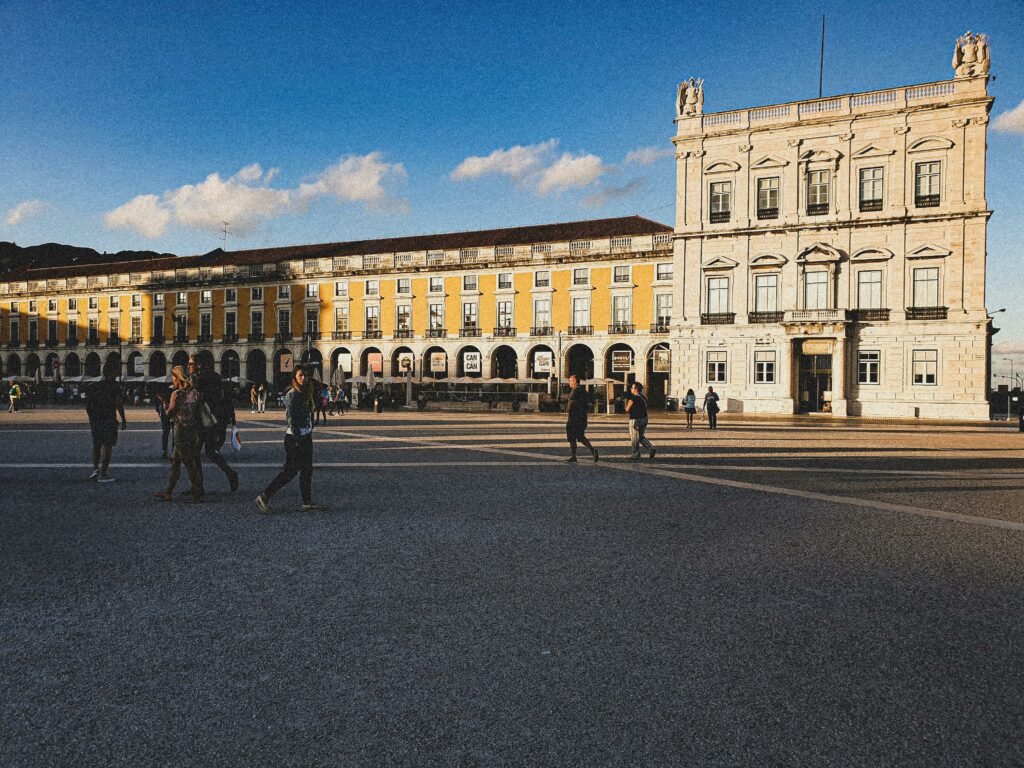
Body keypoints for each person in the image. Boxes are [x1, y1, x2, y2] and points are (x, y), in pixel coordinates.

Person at [256, 365, 326, 513]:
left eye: (306, 375)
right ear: (295, 377)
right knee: (290, 472)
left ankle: (307, 502)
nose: (304, 378)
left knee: (307, 471)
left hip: (305, 436)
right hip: (295, 437)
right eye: (301, 375)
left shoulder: (306, 392)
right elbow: (292, 420)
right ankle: (264, 496)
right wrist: (299, 438)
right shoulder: (293, 394)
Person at [155, 366, 204, 503]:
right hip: (193, 430)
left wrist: (164, 402)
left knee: (188, 462)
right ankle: (168, 492)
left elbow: (169, 413)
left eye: (173, 377)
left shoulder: (176, 394)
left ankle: (198, 492)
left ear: (178, 378)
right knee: (175, 461)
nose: (172, 380)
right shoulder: (195, 393)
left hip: (181, 430)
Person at [191, 352, 240, 492]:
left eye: (191, 364)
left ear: (199, 364)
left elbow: (197, 399)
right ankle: (230, 474)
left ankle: (198, 486)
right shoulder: (216, 377)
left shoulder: (200, 379)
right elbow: (223, 398)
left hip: (204, 420)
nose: (189, 366)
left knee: (197, 453)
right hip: (214, 419)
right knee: (209, 452)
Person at [85, 359, 127, 483]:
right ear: (112, 373)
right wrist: (124, 419)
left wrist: (92, 418)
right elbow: (119, 404)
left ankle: (95, 470)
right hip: (109, 419)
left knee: (97, 445)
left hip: (96, 420)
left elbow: (88, 406)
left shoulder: (94, 386)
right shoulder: (115, 386)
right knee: (107, 446)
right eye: (116, 373)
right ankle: (103, 474)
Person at [565, 374, 598, 463]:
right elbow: (589, 404)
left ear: (575, 382)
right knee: (580, 436)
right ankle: (592, 450)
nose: (569, 382)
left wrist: (570, 415)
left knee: (572, 437)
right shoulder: (584, 391)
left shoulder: (574, 391)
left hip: (574, 418)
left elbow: (571, 405)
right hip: (582, 418)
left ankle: (573, 456)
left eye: (570, 381)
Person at [625, 381, 655, 461]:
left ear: (635, 389)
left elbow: (627, 409)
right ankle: (651, 449)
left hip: (635, 419)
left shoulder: (633, 397)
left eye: (632, 387)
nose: (631, 389)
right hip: (644, 419)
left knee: (634, 438)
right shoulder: (643, 397)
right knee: (640, 437)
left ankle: (635, 455)